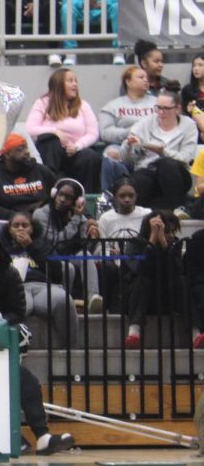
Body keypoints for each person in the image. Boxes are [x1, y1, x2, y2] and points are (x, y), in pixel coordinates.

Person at [0, 219, 76, 455]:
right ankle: (14, 434)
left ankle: (42, 436)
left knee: (24, 379)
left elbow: (19, 311)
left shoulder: (8, 272)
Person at [26, 67, 119, 194]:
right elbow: (30, 129)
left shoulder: (83, 105)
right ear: (58, 83)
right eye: (70, 81)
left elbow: (93, 133)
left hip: (75, 152)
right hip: (51, 153)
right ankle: (52, 191)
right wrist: (55, 132)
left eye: (75, 81)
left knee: (90, 156)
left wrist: (77, 146)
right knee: (51, 141)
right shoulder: (42, 103)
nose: (75, 84)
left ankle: (87, 198)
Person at [1, 209, 80, 347]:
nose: (20, 229)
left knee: (64, 300)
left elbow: (56, 271)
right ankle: (13, 349)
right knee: (20, 307)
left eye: (25, 225)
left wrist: (30, 246)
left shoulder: (42, 244)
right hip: (18, 287)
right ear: (9, 229)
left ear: (32, 228)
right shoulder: (2, 247)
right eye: (16, 225)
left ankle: (71, 348)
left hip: (43, 287)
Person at [32, 177, 103, 310]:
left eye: (68, 197)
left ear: (76, 201)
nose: (62, 199)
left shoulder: (77, 216)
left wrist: (92, 239)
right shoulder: (41, 214)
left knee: (86, 255)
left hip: (67, 255)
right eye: (61, 195)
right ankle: (65, 303)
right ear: (54, 194)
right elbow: (55, 240)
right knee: (67, 268)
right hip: (47, 255)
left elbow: (81, 243)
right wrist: (76, 219)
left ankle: (93, 297)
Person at [122, 90, 197, 210]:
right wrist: (128, 145)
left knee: (166, 163)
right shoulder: (145, 123)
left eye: (166, 108)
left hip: (177, 173)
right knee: (139, 180)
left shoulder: (189, 125)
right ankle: (135, 215)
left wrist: (162, 151)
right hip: (149, 170)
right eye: (158, 108)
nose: (161, 112)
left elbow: (186, 158)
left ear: (177, 108)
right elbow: (126, 159)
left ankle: (178, 209)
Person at [123, 210, 184, 349]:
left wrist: (164, 244)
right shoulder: (134, 244)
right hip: (141, 298)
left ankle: (195, 333)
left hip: (167, 297)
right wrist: (152, 241)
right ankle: (134, 332)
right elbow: (139, 269)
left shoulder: (175, 244)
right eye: (166, 231)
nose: (170, 236)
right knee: (142, 280)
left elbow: (176, 271)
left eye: (171, 232)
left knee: (182, 281)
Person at [0, 132, 59, 219]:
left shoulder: (41, 171)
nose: (27, 152)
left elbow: (58, 193)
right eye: (20, 149)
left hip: (42, 219)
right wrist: (19, 216)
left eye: (26, 148)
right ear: (7, 154)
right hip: (8, 223)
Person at [97, 177, 149, 312]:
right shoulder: (106, 218)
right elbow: (102, 248)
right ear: (115, 197)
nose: (127, 199)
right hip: (115, 261)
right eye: (122, 196)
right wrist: (110, 255)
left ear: (136, 196)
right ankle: (108, 306)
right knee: (107, 267)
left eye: (131, 195)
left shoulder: (146, 214)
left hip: (138, 259)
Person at [99, 66, 158, 160]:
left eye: (147, 78)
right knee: (109, 153)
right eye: (141, 77)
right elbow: (105, 132)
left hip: (153, 145)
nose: (146, 80)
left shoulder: (158, 102)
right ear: (128, 82)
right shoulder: (112, 106)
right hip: (123, 145)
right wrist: (131, 132)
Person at [180, 53, 204, 120]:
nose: (196, 69)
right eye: (194, 66)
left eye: (200, 65)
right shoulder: (187, 90)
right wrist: (190, 112)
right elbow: (184, 115)